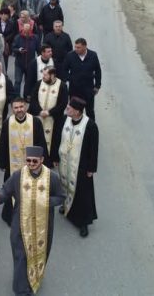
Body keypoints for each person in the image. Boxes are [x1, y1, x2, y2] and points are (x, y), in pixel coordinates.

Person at [0, 146, 65, 296]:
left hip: (44, 226)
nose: (30, 164)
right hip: (20, 224)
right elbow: (6, 190)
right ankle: (21, 289)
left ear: (42, 160)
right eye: (28, 160)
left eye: (34, 161)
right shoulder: (18, 175)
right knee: (21, 256)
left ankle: (35, 278)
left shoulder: (52, 178)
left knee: (40, 254)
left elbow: (61, 197)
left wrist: (45, 201)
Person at [0, 98, 46, 225]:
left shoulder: (35, 121)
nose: (19, 110)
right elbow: (3, 143)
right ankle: (11, 216)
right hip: (12, 164)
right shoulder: (8, 122)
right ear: (12, 109)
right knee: (11, 189)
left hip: (33, 165)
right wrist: (2, 162)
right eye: (16, 107)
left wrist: (43, 161)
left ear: (26, 107)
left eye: (21, 107)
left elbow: (41, 142)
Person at [57, 97, 99, 237]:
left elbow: (93, 149)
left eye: (69, 108)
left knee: (82, 194)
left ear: (77, 112)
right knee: (65, 186)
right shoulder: (65, 120)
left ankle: (83, 223)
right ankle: (66, 207)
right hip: (65, 163)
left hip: (80, 167)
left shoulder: (90, 126)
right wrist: (55, 158)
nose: (67, 109)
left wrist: (91, 169)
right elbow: (58, 138)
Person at [28, 66, 68, 167]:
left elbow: (62, 104)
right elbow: (33, 100)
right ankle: (36, 159)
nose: (43, 76)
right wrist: (40, 111)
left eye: (46, 75)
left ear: (53, 75)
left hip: (53, 119)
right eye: (43, 74)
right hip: (39, 117)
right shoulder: (39, 83)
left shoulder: (62, 86)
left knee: (54, 140)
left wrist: (49, 112)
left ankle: (50, 160)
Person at [62, 38, 102, 120]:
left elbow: (98, 71)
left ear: (85, 47)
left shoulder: (93, 55)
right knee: (73, 111)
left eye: (78, 47)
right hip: (75, 90)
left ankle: (90, 131)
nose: (76, 49)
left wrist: (97, 86)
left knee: (90, 112)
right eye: (75, 47)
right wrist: (71, 78)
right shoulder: (70, 55)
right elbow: (64, 70)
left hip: (88, 90)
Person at [12, 23, 40, 97]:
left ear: (30, 30)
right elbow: (13, 48)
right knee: (18, 81)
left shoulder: (35, 38)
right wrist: (18, 50)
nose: (25, 33)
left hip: (31, 64)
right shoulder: (17, 37)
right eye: (24, 31)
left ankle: (26, 96)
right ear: (22, 29)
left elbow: (39, 50)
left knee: (29, 82)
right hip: (19, 64)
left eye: (27, 31)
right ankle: (16, 97)